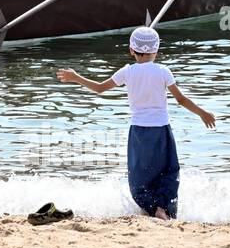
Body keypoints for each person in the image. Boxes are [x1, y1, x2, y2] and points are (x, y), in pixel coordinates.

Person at [57, 27, 216, 220]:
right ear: (156, 50)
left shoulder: (127, 72)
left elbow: (99, 88)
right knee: (169, 170)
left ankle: (152, 208)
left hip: (139, 132)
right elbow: (181, 100)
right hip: (161, 130)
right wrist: (202, 113)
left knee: (140, 176)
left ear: (131, 50)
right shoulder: (163, 71)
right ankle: (163, 208)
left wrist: (75, 77)